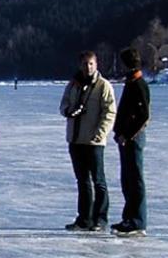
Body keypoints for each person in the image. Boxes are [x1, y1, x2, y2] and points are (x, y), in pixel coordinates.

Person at [59, 50, 117, 231]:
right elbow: (63, 104)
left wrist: (100, 133)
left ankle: (100, 219)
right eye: (85, 64)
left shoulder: (103, 86)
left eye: (91, 63)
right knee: (82, 181)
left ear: (96, 65)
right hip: (76, 140)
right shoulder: (73, 85)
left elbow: (110, 112)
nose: (88, 67)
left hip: (94, 141)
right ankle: (84, 218)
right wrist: (69, 111)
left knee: (98, 181)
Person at [112, 47, 151, 236]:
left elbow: (143, 115)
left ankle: (137, 220)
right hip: (126, 139)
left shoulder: (138, 84)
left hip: (133, 139)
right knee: (127, 180)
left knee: (135, 180)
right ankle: (129, 218)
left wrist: (126, 134)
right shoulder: (131, 82)